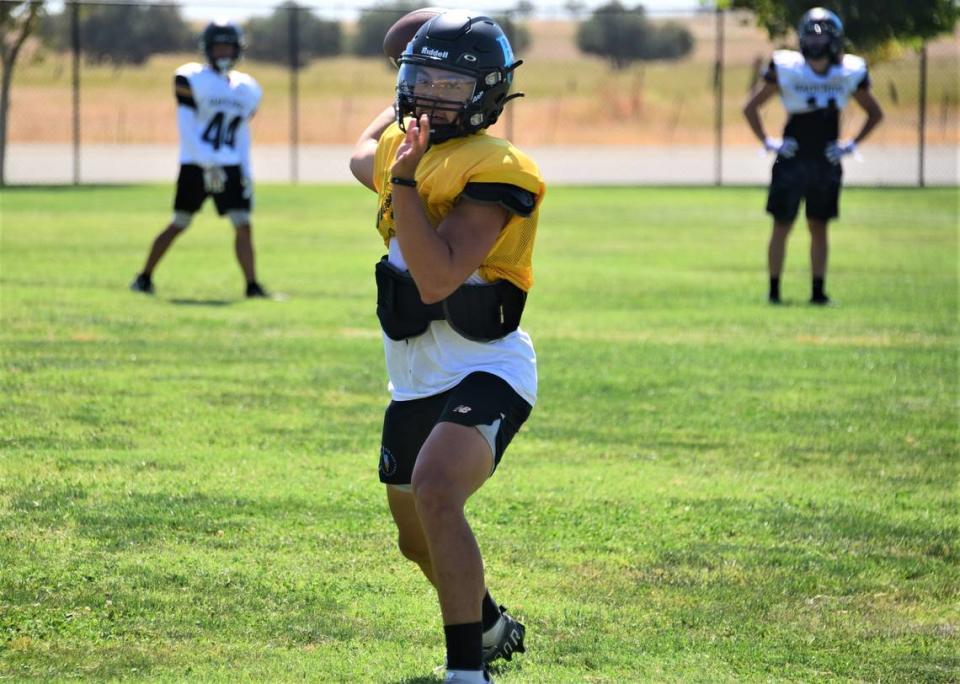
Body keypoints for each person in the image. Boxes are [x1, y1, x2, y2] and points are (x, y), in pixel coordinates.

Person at [349, 12, 544, 684]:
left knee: (437, 491)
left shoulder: (497, 168)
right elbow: (358, 152)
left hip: (486, 367)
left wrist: (403, 178)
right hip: (413, 380)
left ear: (487, 94)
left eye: (449, 85)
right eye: (420, 80)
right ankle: (488, 622)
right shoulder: (403, 146)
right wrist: (410, 90)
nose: (430, 95)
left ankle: (468, 671)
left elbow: (435, 279)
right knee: (415, 540)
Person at [743, 7, 883, 305]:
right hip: (792, 157)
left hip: (825, 158)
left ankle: (818, 292)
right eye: (812, 36)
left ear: (835, 41)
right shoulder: (786, 66)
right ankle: (774, 292)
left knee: (819, 225)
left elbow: (875, 112)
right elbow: (750, 107)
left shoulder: (849, 71)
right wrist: (770, 142)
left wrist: (850, 144)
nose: (816, 43)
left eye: (823, 38)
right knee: (782, 224)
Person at [130, 21, 268, 299]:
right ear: (207, 49)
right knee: (180, 222)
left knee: (243, 224)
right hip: (196, 163)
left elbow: (241, 133)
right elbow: (187, 127)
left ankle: (252, 285)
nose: (223, 52)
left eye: (228, 46)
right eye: (218, 46)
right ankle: (144, 277)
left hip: (229, 165)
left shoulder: (247, 88)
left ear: (238, 49)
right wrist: (207, 163)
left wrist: (245, 171)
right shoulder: (191, 78)